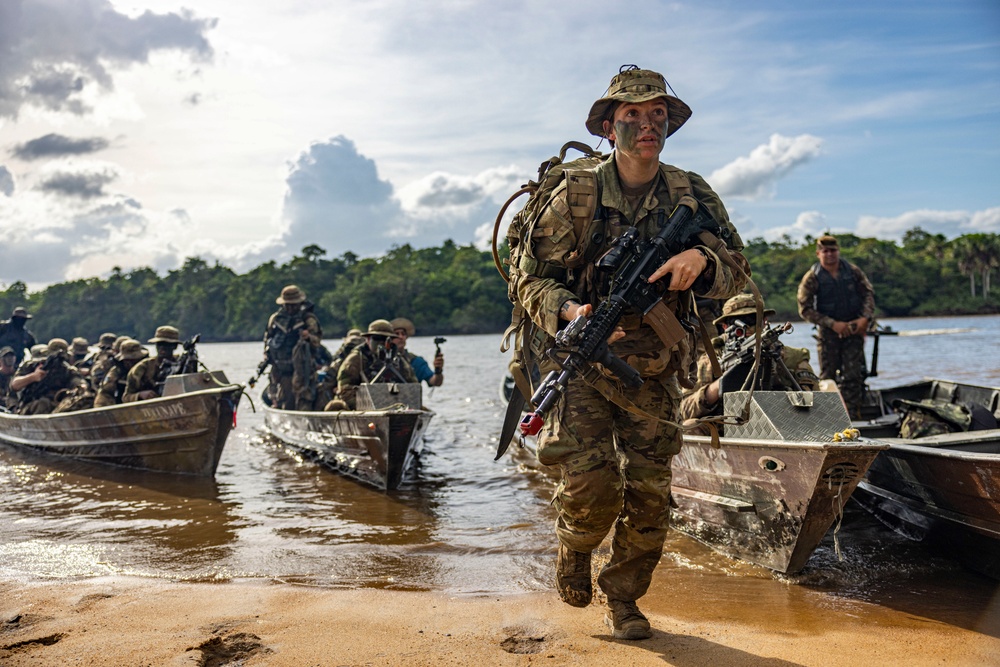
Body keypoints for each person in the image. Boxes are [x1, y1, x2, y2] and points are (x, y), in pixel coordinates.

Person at [513, 66, 748, 639]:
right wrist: (573, 313)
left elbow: (740, 270)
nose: (648, 125)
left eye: (658, 115)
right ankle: (575, 548)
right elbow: (528, 279)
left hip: (658, 369)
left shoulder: (691, 193)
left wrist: (703, 263)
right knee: (593, 492)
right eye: (633, 116)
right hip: (586, 363)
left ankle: (624, 600)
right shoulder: (576, 193)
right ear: (609, 125)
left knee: (649, 497)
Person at [679, 294, 818, 431]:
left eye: (753, 319)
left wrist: (777, 379)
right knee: (688, 426)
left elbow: (816, 406)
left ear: (764, 321)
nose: (747, 328)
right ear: (725, 326)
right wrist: (715, 389)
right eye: (738, 321)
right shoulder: (709, 362)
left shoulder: (792, 358)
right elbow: (683, 411)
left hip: (780, 426)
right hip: (727, 427)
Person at [797, 234, 875, 418]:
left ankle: (853, 417)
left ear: (838, 251)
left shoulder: (853, 271)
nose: (830, 254)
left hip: (854, 329)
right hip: (828, 333)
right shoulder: (812, 277)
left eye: (833, 250)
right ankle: (829, 417)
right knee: (827, 377)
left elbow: (868, 294)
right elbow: (804, 309)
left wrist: (865, 319)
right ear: (818, 254)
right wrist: (832, 324)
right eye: (825, 251)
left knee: (853, 376)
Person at [263, 285, 322, 410]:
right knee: (285, 401)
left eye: (293, 305)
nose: (290, 308)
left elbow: (317, 342)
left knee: (304, 401)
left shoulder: (308, 319)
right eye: (287, 305)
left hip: (303, 371)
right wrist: (267, 356)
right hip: (282, 370)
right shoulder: (275, 319)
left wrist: (308, 337)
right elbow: (268, 339)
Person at [336, 319, 417, 410]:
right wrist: (368, 407)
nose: (382, 343)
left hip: (392, 406)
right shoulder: (356, 359)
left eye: (386, 339)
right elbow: (344, 391)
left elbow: (413, 386)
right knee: (335, 406)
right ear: (368, 339)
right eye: (377, 339)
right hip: (361, 408)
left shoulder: (399, 360)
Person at [11, 338, 86, 414]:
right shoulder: (33, 366)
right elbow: (14, 385)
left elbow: (78, 382)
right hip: (32, 407)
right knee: (43, 404)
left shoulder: (66, 370)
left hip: (59, 406)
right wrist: (33, 377)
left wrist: (81, 387)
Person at [122, 326, 182, 402]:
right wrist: (140, 395)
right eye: (159, 344)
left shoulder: (181, 364)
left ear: (175, 346)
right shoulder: (141, 368)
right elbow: (126, 397)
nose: (162, 348)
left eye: (167, 344)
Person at [390, 318, 444, 387]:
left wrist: (438, 370)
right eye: (396, 334)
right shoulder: (382, 361)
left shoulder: (416, 361)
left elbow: (435, 382)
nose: (401, 337)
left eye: (403, 334)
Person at [94, 339, 148, 407]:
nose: (129, 363)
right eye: (126, 360)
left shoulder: (149, 368)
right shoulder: (116, 372)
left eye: (133, 360)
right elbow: (105, 394)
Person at [0, 346, 17, 410]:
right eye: (6, 356)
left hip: (15, 404)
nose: (9, 358)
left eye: (11, 356)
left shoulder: (18, 374)